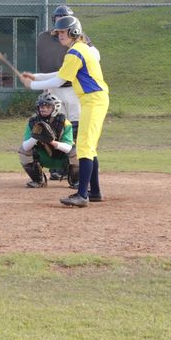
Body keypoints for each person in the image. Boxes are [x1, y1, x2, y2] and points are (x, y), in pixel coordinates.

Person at [20, 14, 108, 208]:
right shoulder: (78, 50)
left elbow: (59, 81)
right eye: (57, 32)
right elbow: (60, 74)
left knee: (84, 147)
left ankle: (82, 195)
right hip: (92, 100)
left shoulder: (75, 52)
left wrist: (32, 86)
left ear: (74, 31)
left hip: (93, 100)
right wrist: (35, 77)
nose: (59, 35)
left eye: (62, 32)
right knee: (89, 147)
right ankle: (95, 192)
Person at [36, 5, 100, 181]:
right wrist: (43, 83)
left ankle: (75, 169)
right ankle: (57, 168)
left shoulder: (80, 40)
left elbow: (95, 55)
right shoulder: (45, 37)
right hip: (54, 87)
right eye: (58, 17)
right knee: (56, 128)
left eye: (64, 17)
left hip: (73, 88)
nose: (60, 20)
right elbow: (44, 60)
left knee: (76, 128)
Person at [18, 92, 78, 189]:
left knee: (77, 151)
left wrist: (51, 142)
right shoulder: (33, 122)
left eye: (48, 106)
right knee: (23, 150)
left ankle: (75, 180)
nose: (43, 108)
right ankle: (38, 180)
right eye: (41, 106)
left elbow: (68, 148)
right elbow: (25, 147)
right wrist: (36, 136)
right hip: (43, 157)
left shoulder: (64, 122)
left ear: (55, 108)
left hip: (62, 158)